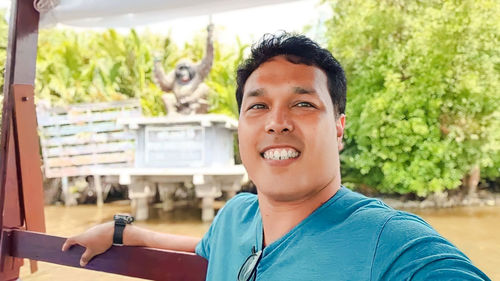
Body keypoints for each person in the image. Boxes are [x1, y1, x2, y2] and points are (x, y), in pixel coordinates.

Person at [62, 33, 490, 281]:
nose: (276, 122)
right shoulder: (236, 217)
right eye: (258, 106)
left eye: (303, 104)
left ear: (339, 127)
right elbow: (205, 251)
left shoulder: (392, 245)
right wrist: (122, 233)